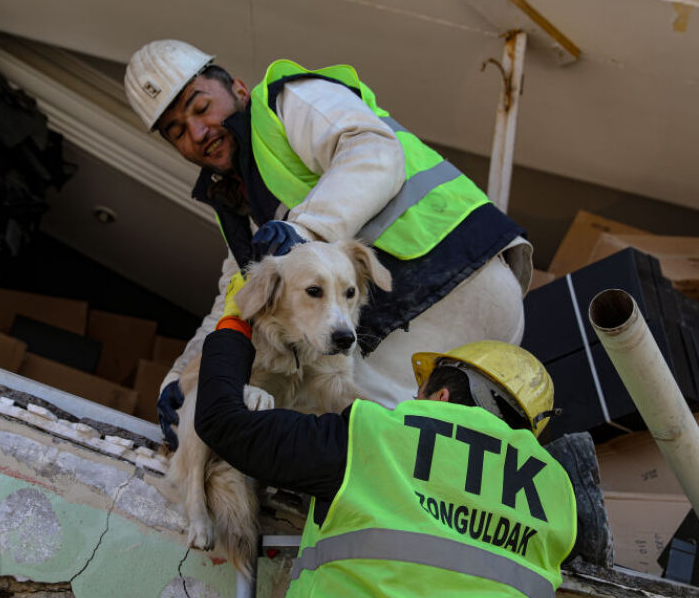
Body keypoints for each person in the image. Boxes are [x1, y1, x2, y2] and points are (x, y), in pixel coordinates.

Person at [124, 40, 534, 449]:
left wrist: (306, 231)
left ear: (239, 89)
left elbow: (372, 152)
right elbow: (235, 300)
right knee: (405, 455)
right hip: (423, 318)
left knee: (303, 411)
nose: (197, 132)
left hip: (454, 282)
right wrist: (178, 379)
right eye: (177, 131)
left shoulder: (285, 103)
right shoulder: (243, 207)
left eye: (200, 108)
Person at [194, 288, 577, 597]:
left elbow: (223, 421)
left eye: (419, 395)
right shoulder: (558, 496)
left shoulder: (378, 434)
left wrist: (233, 321)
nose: (411, 406)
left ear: (441, 397)